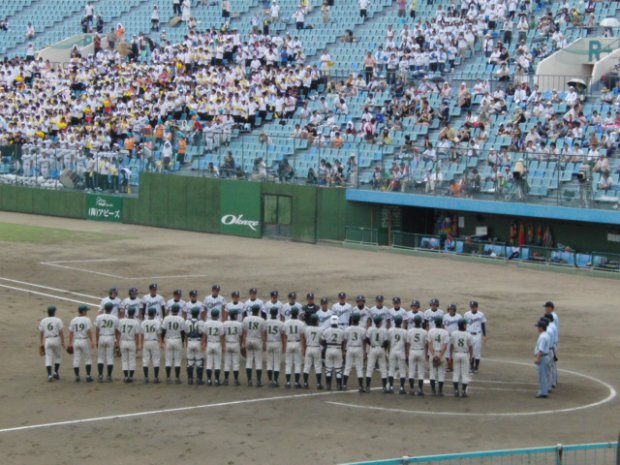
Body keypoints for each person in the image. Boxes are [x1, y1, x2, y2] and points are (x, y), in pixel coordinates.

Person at [39, 305, 65, 382]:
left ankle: (49, 375)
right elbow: (61, 332)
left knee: (48, 358)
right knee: (58, 357)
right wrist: (63, 342)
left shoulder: (43, 320)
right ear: (54, 312)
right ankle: (55, 372)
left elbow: (41, 332)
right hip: (56, 339)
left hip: (47, 340)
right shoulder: (58, 320)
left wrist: (41, 343)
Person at [69, 305, 95, 383]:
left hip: (76, 341)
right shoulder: (87, 320)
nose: (87, 312)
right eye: (86, 311)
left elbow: (71, 333)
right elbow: (89, 331)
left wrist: (70, 343)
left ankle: (77, 376)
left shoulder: (73, 320)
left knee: (76, 359)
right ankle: (88, 376)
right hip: (84, 341)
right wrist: (92, 341)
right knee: (88, 359)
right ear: (83, 311)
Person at [95, 302, 119, 382]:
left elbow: (97, 330)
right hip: (111, 337)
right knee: (110, 358)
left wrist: (97, 340)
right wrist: (117, 341)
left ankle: (100, 375)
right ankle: (109, 376)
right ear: (111, 309)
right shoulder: (115, 318)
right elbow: (116, 331)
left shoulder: (99, 317)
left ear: (104, 309)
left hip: (101, 337)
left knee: (100, 358)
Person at [343, 310, 367, 392]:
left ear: (352, 319)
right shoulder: (362, 329)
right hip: (359, 348)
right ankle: (360, 386)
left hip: (349, 348)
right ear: (359, 320)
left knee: (347, 367)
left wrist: (344, 350)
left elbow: (345, 340)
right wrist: (364, 351)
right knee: (359, 368)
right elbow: (364, 341)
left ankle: (344, 384)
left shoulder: (347, 329)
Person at [162, 304, 185, 383]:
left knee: (168, 360)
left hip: (168, 340)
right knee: (177, 360)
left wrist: (162, 340)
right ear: (178, 311)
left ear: (171, 310)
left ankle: (168, 377)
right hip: (177, 340)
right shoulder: (181, 319)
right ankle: (177, 378)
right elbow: (182, 332)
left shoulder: (166, 318)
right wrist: (182, 341)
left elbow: (163, 331)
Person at [242, 304, 265, 387]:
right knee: (258, 361)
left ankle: (249, 380)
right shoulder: (262, 320)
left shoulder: (246, 319)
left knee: (249, 360)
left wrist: (243, 343)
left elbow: (244, 332)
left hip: (248, 339)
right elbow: (263, 334)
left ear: (251, 310)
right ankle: (258, 381)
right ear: (258, 310)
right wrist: (264, 343)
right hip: (257, 340)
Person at [283, 307, 305, 389]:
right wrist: (303, 347)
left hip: (289, 343)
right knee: (297, 363)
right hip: (297, 343)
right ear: (298, 313)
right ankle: (296, 382)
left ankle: (288, 382)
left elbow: (284, 336)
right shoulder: (301, 323)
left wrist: (284, 346)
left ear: (291, 313)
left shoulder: (286, 322)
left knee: (288, 363)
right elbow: (302, 337)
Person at [365, 315, 389, 392]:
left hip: (373, 348)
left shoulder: (370, 329)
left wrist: (371, 344)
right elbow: (386, 342)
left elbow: (367, 339)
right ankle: (384, 387)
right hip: (381, 349)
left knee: (369, 368)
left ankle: (368, 387)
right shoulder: (384, 330)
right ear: (380, 322)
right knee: (383, 369)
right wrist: (383, 348)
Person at [321, 315, 345, 391]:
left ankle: (328, 385)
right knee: (338, 368)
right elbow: (344, 342)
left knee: (328, 368)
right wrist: (343, 351)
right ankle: (339, 385)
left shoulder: (326, 330)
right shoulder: (341, 331)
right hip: (338, 349)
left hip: (329, 349)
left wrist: (326, 345)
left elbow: (322, 341)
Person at [450, 318, 473, 397]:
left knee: (456, 373)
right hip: (464, 354)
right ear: (463, 325)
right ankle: (463, 391)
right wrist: (471, 357)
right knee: (465, 374)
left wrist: (450, 356)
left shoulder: (454, 333)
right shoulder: (468, 334)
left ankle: (456, 391)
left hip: (456, 354)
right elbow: (470, 347)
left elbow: (451, 345)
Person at [427, 316, 449, 396]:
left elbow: (429, 344)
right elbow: (445, 346)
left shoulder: (430, 331)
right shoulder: (445, 332)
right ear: (441, 323)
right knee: (441, 373)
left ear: (435, 323)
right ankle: (440, 391)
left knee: (432, 373)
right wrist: (440, 355)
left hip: (432, 353)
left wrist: (433, 355)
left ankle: (433, 391)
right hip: (441, 354)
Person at [406, 314, 427, 395]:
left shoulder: (410, 331)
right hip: (421, 351)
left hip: (412, 351)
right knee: (421, 372)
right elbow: (425, 344)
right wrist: (425, 354)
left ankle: (411, 389)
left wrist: (408, 354)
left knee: (411, 371)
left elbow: (408, 343)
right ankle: (420, 390)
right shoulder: (424, 332)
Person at [119, 307, 141, 383]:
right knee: (132, 360)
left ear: (127, 313)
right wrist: (138, 345)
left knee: (124, 360)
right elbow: (137, 335)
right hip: (131, 342)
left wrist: (118, 342)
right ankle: (130, 377)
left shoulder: (121, 321)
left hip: (123, 342)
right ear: (134, 313)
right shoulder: (136, 322)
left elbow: (118, 331)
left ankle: (125, 376)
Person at [464, 300, 487, 373]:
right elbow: (464, 325)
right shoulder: (466, 314)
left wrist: (484, 335)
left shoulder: (481, 314)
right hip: (469, 334)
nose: (473, 308)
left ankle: (476, 367)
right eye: (471, 307)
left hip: (478, 335)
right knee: (469, 351)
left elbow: (483, 325)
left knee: (477, 352)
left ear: (477, 307)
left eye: (474, 307)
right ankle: (471, 366)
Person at [141, 308, 162, 383]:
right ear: (154, 314)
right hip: (154, 341)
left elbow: (142, 334)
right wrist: (161, 342)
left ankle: (146, 378)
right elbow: (159, 333)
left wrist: (141, 343)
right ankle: (156, 378)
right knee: (156, 360)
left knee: (145, 360)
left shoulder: (143, 322)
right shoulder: (157, 322)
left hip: (146, 342)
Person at [302, 313, 323, 389]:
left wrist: (304, 349)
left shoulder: (306, 328)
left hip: (309, 348)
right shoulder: (320, 329)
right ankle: (318, 384)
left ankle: (305, 383)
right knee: (318, 366)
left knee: (307, 366)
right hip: (317, 348)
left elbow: (304, 338)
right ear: (316, 321)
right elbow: (321, 340)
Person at [387, 315, 408, 394]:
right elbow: (406, 344)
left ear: (394, 321)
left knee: (391, 370)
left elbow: (388, 342)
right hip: (401, 352)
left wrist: (388, 352)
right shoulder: (404, 331)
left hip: (392, 351)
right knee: (402, 371)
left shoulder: (390, 330)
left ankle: (391, 387)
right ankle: (402, 388)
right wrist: (406, 354)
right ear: (401, 322)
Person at [185, 306, 205, 385]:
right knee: (199, 361)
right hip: (198, 342)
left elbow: (186, 333)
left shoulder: (187, 321)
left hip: (190, 342)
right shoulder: (201, 322)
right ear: (198, 314)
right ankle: (199, 379)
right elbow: (202, 333)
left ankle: (190, 379)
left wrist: (186, 343)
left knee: (190, 361)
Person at [222, 308, 243, 385]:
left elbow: (223, 335)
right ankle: (236, 380)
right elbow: (241, 336)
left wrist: (223, 345)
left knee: (227, 362)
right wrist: (240, 345)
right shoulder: (239, 324)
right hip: (235, 343)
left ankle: (226, 379)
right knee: (236, 363)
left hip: (227, 343)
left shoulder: (225, 323)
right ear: (235, 315)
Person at [204, 308, 224, 386]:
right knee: (217, 363)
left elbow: (204, 335)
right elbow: (222, 337)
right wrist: (223, 346)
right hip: (217, 344)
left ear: (211, 315)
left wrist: (204, 344)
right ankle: (216, 380)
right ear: (218, 315)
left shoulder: (206, 323)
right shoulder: (220, 324)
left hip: (209, 344)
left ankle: (209, 380)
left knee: (209, 363)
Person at [534, 319, 551, 398]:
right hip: (545, 357)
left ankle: (543, 392)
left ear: (541, 328)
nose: (537, 328)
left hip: (543, 358)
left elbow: (541, 350)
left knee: (542, 375)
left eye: (538, 327)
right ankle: (544, 390)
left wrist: (537, 358)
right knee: (544, 375)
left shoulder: (543, 337)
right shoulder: (546, 335)